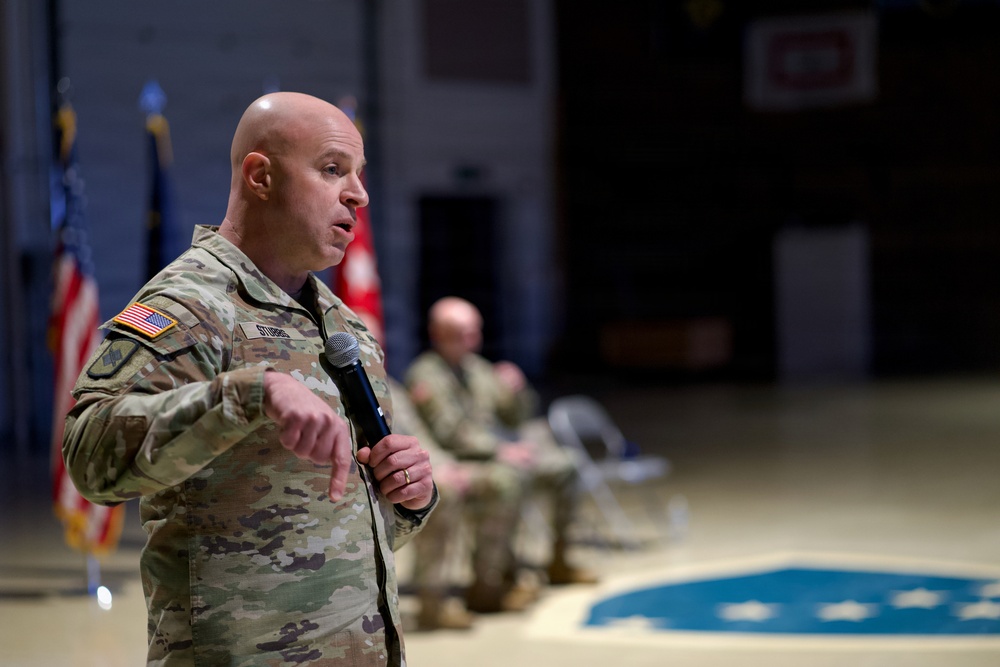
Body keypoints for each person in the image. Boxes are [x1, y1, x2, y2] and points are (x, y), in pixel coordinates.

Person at [62, 92, 436, 666]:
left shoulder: (340, 323)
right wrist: (244, 395)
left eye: (359, 175)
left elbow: (336, 524)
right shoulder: (189, 305)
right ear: (261, 176)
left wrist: (405, 495)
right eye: (333, 170)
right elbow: (89, 456)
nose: (359, 194)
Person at [404, 296, 596, 587]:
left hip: (499, 452)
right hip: (462, 460)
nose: (473, 340)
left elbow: (515, 418)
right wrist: (501, 450)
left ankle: (560, 560)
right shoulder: (426, 375)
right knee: (509, 480)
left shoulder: (477, 369)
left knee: (568, 465)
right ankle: (495, 578)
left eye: (475, 331)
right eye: (463, 333)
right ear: (439, 334)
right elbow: (451, 433)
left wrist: (517, 391)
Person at [386, 378, 532, 630]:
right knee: (444, 492)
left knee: (504, 481)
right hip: (389, 476)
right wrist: (441, 467)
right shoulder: (425, 373)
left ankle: (489, 584)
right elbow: (446, 431)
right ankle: (432, 603)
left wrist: (442, 463)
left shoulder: (392, 386)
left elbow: (421, 436)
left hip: (437, 462)